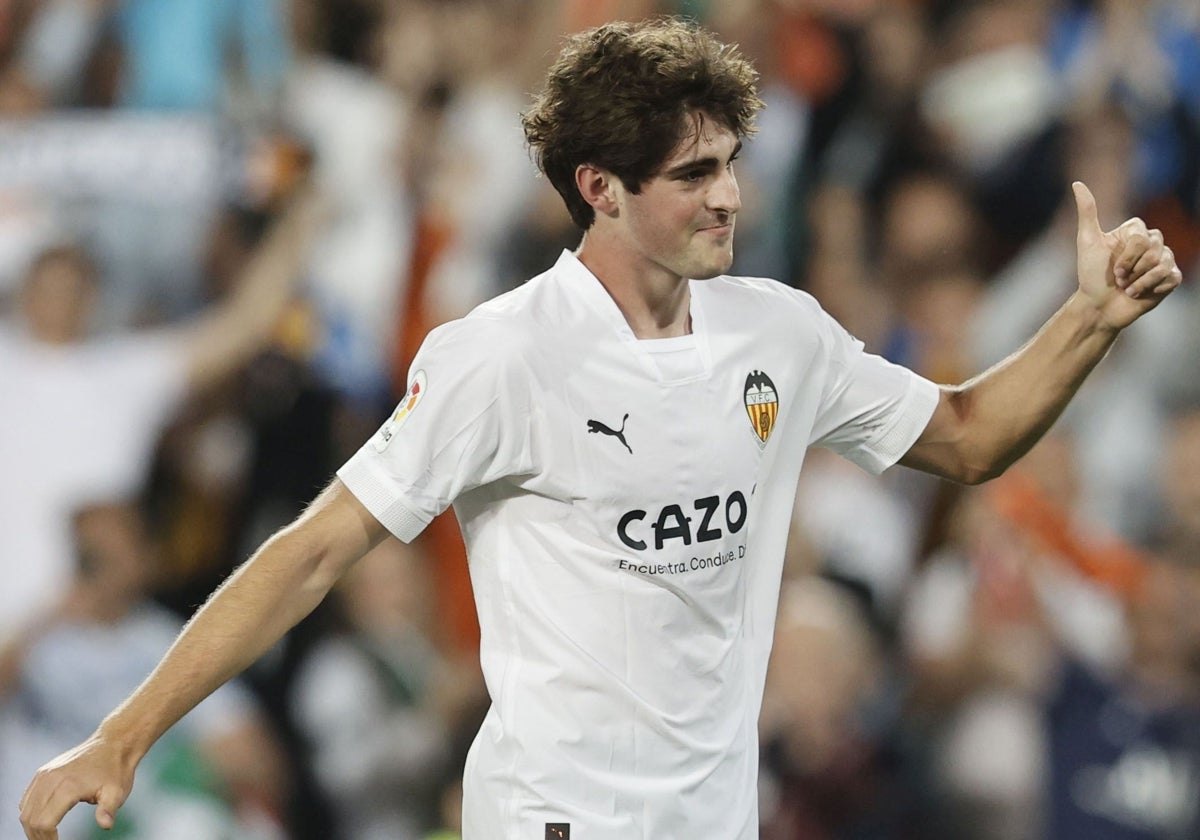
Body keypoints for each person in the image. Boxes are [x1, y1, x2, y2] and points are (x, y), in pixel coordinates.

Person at [18, 17, 1183, 840]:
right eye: (693, 174)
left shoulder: (779, 332)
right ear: (601, 188)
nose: (729, 196)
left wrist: (1091, 321)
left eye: (732, 164)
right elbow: (312, 551)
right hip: (555, 825)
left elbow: (971, 437)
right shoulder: (501, 356)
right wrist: (123, 735)